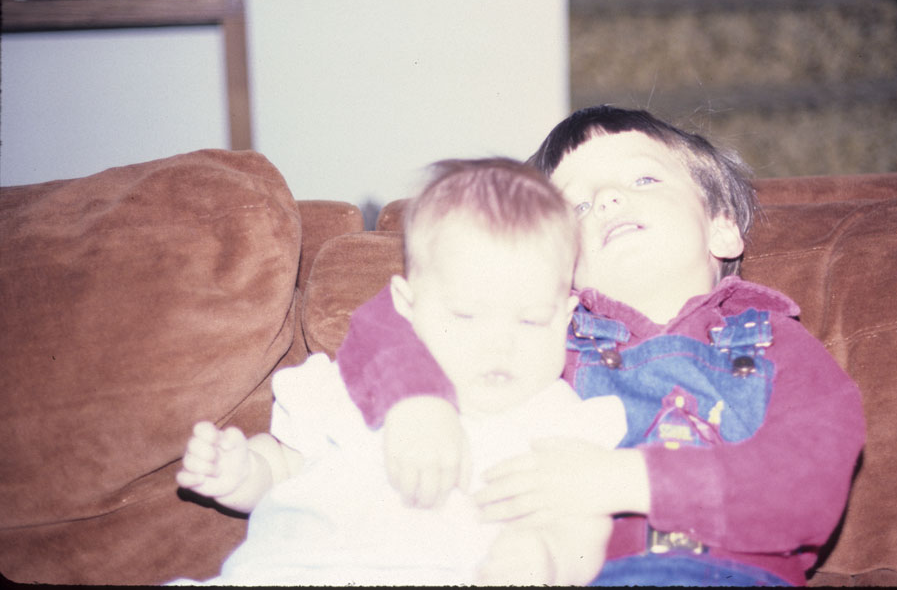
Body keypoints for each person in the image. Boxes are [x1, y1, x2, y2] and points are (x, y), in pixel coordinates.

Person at [336, 106, 867, 586]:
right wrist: (416, 402)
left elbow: (810, 488)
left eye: (643, 178)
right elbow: (400, 313)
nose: (608, 199)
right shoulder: (548, 339)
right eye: (579, 205)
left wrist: (625, 480)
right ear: (559, 266)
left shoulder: (776, 342)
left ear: (722, 228)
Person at [173, 158, 627, 586]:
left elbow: (583, 526)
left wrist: (547, 558)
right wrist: (241, 472)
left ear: (566, 317)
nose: (499, 344)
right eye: (466, 315)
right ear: (407, 306)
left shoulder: (558, 420)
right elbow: (285, 467)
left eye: (531, 320)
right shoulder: (356, 380)